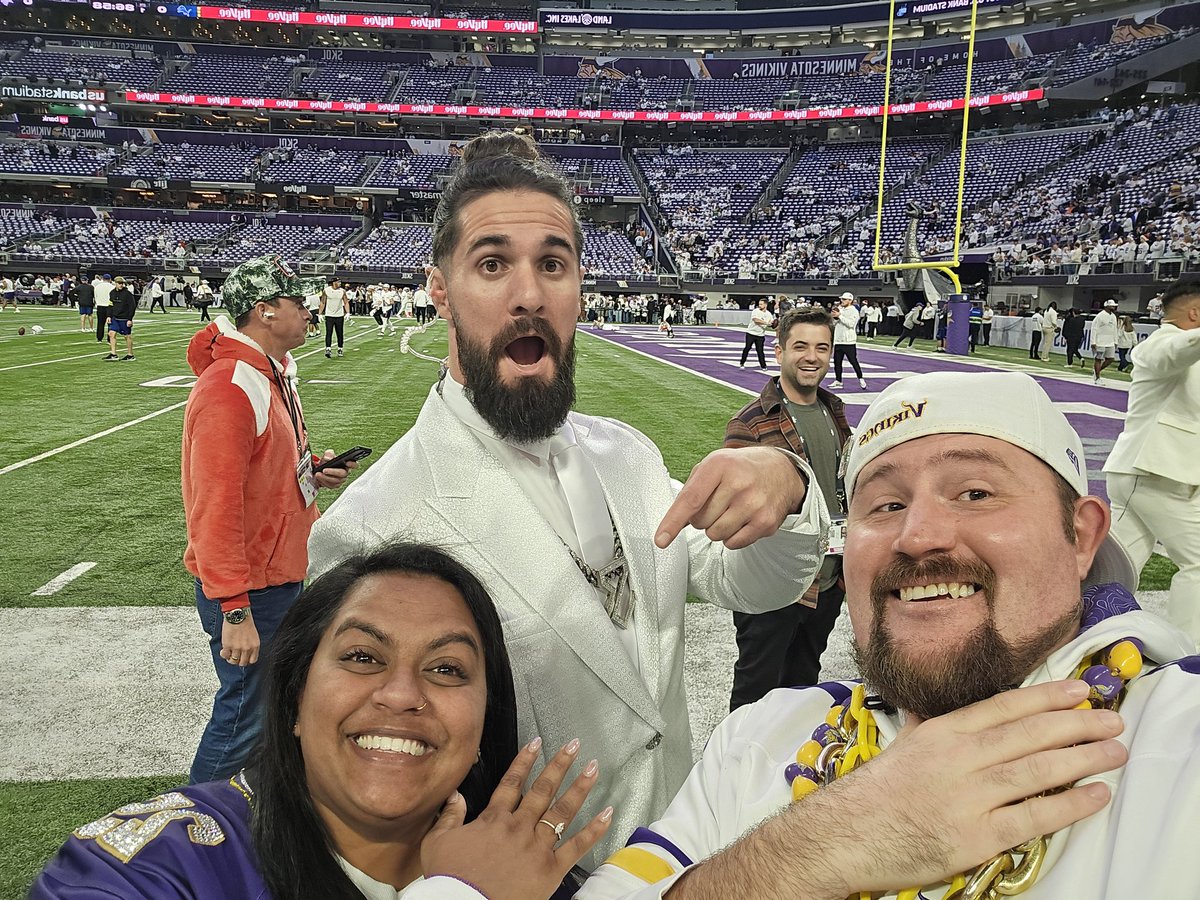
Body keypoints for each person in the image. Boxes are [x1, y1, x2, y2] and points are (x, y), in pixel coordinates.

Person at [307, 131, 827, 875]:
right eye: (492, 265)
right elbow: (355, 791)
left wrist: (790, 488)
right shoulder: (374, 525)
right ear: (439, 288)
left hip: (676, 855)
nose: (528, 294)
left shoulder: (627, 453)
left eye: (552, 264)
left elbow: (757, 583)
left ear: (581, 286)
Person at [581, 370, 1200, 900]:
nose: (918, 535)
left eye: (975, 492)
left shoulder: (1177, 734)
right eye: (885, 506)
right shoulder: (762, 733)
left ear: (1083, 537)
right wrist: (817, 847)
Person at [32, 542, 612, 900]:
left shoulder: (534, 878)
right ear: (293, 704)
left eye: (446, 668)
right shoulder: (155, 867)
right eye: (362, 657)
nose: (402, 694)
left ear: (486, 724)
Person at [182, 254, 359, 785]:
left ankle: (250, 818)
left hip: (274, 573)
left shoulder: (268, 373)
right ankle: (189, 835)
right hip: (252, 587)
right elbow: (214, 505)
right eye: (298, 303)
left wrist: (310, 472)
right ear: (264, 311)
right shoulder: (232, 386)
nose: (309, 312)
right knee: (242, 719)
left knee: (265, 715)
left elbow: (263, 471)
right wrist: (235, 608)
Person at [723, 309, 852, 710]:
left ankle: (786, 767)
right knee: (754, 692)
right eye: (800, 346)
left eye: (821, 348)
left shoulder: (835, 411)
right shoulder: (752, 422)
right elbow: (736, 509)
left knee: (803, 685)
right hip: (773, 583)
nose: (811, 357)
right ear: (778, 352)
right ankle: (737, 769)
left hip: (827, 580)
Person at [1105, 278, 1200, 650]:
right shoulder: (1159, 346)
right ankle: (1187, 652)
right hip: (1152, 475)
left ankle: (1070, 634)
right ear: (1195, 313)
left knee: (1114, 566)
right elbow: (1177, 350)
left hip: (1156, 476)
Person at [829, 291, 866, 390]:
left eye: (844, 299)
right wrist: (835, 317)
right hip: (838, 340)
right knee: (837, 362)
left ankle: (860, 378)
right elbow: (833, 324)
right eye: (842, 299)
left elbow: (850, 324)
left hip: (848, 341)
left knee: (853, 361)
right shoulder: (840, 309)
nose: (842, 301)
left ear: (850, 300)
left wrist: (840, 316)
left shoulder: (853, 310)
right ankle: (838, 380)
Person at [102, 276, 137, 361]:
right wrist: (109, 316)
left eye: (122, 283)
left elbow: (132, 307)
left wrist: (130, 319)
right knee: (111, 334)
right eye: (119, 283)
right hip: (114, 318)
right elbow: (110, 305)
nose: (121, 285)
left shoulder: (128, 294)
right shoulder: (112, 293)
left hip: (124, 318)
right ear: (115, 283)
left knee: (127, 336)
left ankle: (130, 354)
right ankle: (113, 354)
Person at [1091, 299, 1120, 384]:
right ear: (1107, 306)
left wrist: (1116, 341)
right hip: (1100, 341)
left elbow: (1115, 329)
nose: (1114, 307)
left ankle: (1097, 371)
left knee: (1110, 359)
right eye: (1112, 305)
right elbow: (1094, 328)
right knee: (1098, 358)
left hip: (1110, 341)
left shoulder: (1113, 316)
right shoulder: (1100, 316)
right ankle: (1097, 378)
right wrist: (1093, 341)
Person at [739, 299, 773, 370]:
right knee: (747, 348)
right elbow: (756, 320)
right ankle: (742, 362)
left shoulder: (769, 314)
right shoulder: (755, 311)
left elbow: (771, 323)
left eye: (761, 304)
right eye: (759, 304)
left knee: (760, 351)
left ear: (765, 305)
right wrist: (766, 323)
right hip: (751, 333)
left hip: (760, 335)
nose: (759, 305)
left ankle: (763, 366)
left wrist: (773, 324)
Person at [321, 278, 347, 359]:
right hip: (329, 315)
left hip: (339, 315)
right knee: (329, 332)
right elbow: (323, 302)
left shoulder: (342, 291)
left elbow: (346, 302)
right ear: (334, 283)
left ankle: (340, 348)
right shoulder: (326, 290)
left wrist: (348, 312)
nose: (340, 283)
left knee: (340, 333)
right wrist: (320, 313)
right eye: (338, 282)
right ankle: (328, 348)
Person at [92, 273, 114, 342]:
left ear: (102, 279)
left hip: (100, 306)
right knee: (110, 324)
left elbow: (95, 296)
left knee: (100, 323)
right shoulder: (112, 287)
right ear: (110, 279)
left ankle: (99, 338)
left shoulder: (97, 287)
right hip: (109, 306)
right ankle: (109, 338)